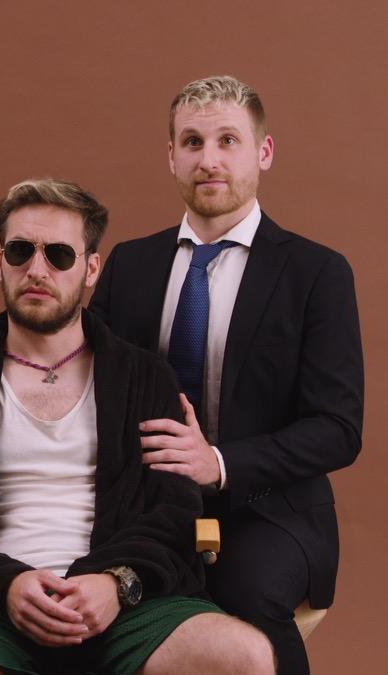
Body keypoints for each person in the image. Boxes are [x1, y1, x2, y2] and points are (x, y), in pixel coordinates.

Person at [0, 179, 275, 675]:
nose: (37, 269)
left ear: (91, 268)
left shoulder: (145, 380)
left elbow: (172, 510)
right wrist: (6, 583)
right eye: (20, 251)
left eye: (58, 254)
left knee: (245, 656)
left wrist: (115, 583)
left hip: (124, 602)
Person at [89, 76, 364, 675]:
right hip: (140, 508)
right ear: (171, 156)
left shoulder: (318, 273)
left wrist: (217, 462)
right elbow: (81, 377)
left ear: (263, 152)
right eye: (192, 142)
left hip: (269, 511)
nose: (208, 160)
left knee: (245, 602)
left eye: (228, 141)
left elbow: (338, 429)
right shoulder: (130, 264)